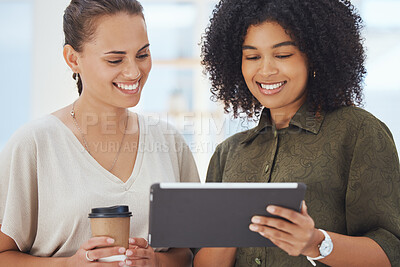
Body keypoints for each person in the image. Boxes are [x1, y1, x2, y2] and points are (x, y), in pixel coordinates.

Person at [193, 0, 400, 266]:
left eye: (282, 55)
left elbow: (392, 251)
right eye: (252, 56)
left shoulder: (358, 132)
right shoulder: (229, 152)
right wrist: (231, 226)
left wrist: (315, 243)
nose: (266, 70)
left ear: (314, 56)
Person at [0, 0, 199, 266]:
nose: (133, 71)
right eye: (115, 59)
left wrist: (155, 261)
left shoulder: (169, 142)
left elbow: (187, 253)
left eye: (142, 55)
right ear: (73, 59)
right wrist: (68, 265)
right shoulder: (34, 144)